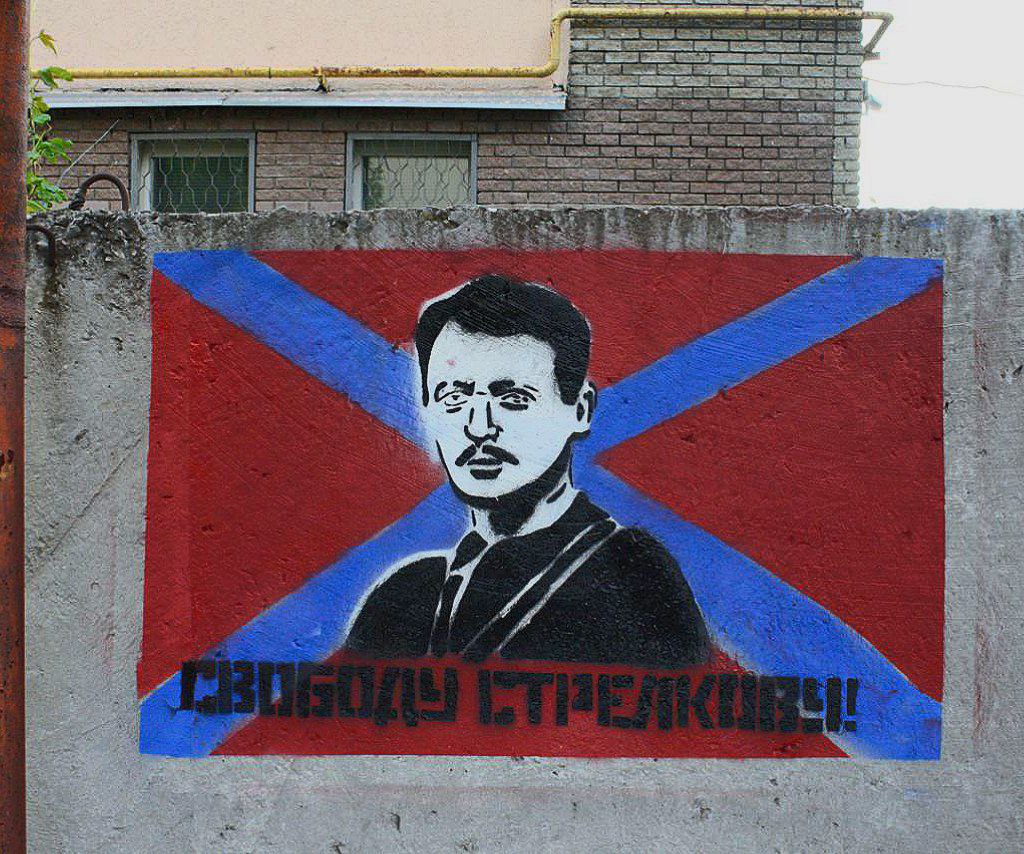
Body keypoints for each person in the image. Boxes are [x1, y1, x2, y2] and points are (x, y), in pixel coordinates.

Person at [344, 274, 710, 667]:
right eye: (454, 397)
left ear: (580, 409)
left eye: (513, 398)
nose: (479, 427)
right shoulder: (403, 595)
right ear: (427, 409)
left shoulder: (633, 577)